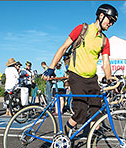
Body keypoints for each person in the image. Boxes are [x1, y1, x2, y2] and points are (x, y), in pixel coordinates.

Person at [42, 4, 118, 136]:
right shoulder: (82, 29)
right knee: (80, 113)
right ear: (101, 16)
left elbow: (106, 62)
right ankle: (63, 134)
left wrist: (109, 77)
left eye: (113, 22)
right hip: (76, 76)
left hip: (92, 79)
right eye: (109, 20)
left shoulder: (104, 40)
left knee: (97, 114)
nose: (110, 24)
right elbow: (64, 47)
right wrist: (50, 68)